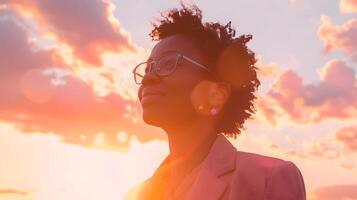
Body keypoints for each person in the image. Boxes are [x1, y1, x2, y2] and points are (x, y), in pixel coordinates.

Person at [124, 4, 306, 200]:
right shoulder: (136, 196)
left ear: (216, 94)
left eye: (168, 63)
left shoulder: (267, 180)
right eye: (148, 68)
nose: (147, 78)